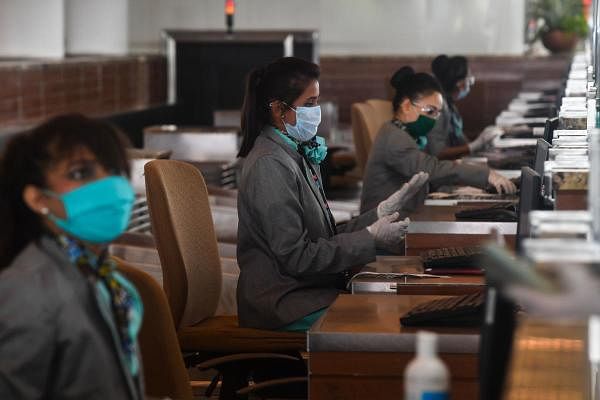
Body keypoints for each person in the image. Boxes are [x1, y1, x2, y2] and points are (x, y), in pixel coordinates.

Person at [236, 57, 429, 331]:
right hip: (284, 302)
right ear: (279, 110)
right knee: (384, 321)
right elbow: (296, 256)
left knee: (394, 301)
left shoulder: (292, 152)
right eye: (310, 104)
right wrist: (369, 239)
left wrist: (375, 217)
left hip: (308, 291)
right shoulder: (270, 163)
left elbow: (322, 236)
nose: (317, 111)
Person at [0, 114, 144, 399]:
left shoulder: (100, 274)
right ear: (38, 199)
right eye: (80, 173)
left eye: (114, 171)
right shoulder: (25, 290)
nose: (110, 186)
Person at [360, 66, 516, 213]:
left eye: (437, 113)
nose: (434, 119)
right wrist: (486, 175)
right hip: (382, 227)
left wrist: (459, 188)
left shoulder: (406, 133)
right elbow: (431, 169)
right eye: (430, 111)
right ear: (407, 106)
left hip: (407, 212)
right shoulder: (394, 139)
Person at [428, 55, 503, 160]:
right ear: (460, 83)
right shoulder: (438, 108)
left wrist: (482, 144)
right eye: (469, 76)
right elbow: (438, 152)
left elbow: (462, 141)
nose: (471, 80)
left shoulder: (450, 106)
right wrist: (475, 145)